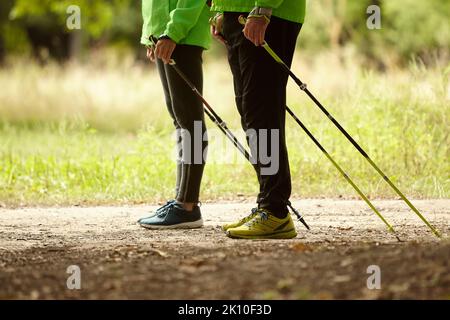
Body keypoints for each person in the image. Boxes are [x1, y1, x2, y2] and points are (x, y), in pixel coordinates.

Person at [210, 0, 306, 239]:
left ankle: (275, 210)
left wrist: (263, 8)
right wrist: (222, 10)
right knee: (251, 112)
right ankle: (267, 205)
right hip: (239, 12)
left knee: (263, 113)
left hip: (266, 13)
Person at [138, 0, 211, 229]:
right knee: (180, 121)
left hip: (182, 36)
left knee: (190, 122)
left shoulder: (177, 34)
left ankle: (188, 205)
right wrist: (153, 32)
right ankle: (182, 201)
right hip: (165, 35)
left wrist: (172, 32)